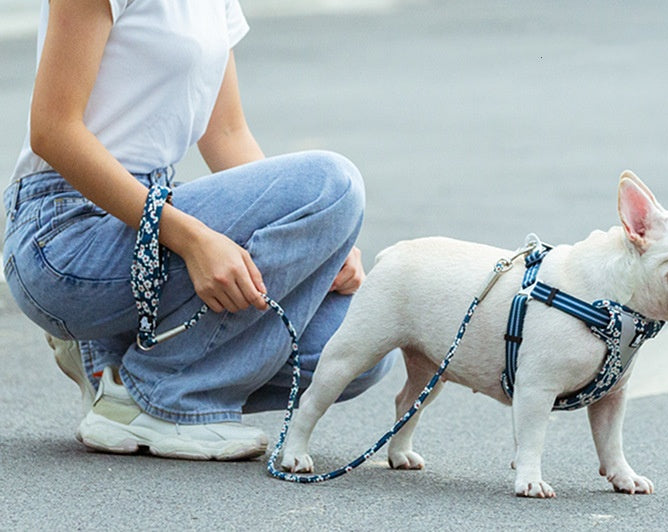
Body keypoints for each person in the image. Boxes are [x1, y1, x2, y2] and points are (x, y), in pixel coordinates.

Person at [2, 0, 393, 460]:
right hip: (68, 233)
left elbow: (226, 133)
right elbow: (54, 130)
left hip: (150, 220)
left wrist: (318, 238)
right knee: (334, 181)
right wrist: (192, 238)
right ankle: (161, 397)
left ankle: (114, 368)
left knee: (356, 351)